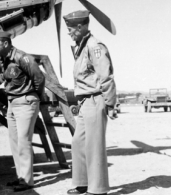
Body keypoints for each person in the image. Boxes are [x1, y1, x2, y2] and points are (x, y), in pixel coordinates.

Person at [63, 10, 117, 195]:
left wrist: (110, 104)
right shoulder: (81, 46)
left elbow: (106, 76)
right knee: (78, 142)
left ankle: (98, 189)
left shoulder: (94, 46)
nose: (68, 32)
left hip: (96, 99)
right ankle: (82, 182)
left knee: (94, 147)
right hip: (85, 101)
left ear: (80, 26)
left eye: (70, 29)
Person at [0, 31, 45, 192]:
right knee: (14, 141)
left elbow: (39, 78)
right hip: (12, 102)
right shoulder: (5, 59)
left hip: (25, 101)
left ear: (5, 44)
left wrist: (33, 96)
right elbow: (10, 76)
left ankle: (27, 180)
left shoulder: (22, 57)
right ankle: (21, 176)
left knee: (23, 141)